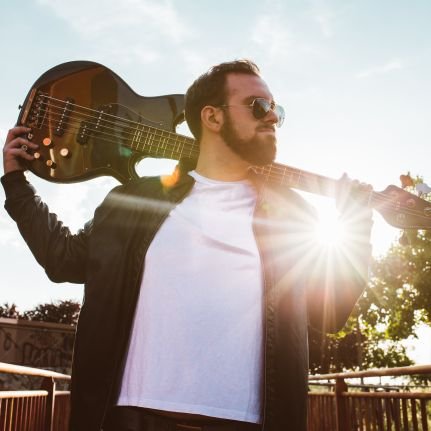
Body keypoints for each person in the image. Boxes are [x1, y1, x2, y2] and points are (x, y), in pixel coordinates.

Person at [2, 60, 373, 431]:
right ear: (212, 117)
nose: (272, 118)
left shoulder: (292, 217)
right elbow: (63, 259)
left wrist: (356, 226)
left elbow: (331, 311)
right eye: (259, 106)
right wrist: (16, 183)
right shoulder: (134, 202)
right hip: (131, 420)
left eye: (277, 110)